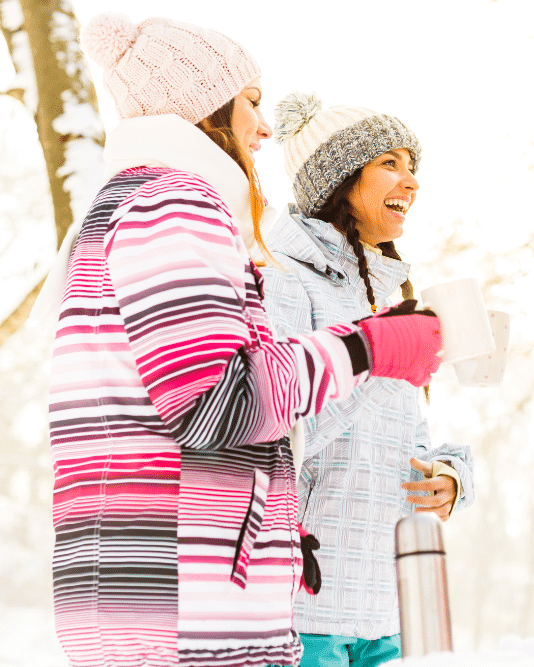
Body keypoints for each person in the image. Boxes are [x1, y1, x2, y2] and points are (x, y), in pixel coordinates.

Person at [46, 14, 442, 667]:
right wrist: (370, 349)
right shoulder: (176, 205)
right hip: (185, 611)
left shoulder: (125, 207)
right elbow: (215, 403)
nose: (264, 128)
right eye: (252, 103)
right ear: (205, 111)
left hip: (146, 593)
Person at [259, 93, 475, 667]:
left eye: (413, 166)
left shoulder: (388, 290)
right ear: (340, 179)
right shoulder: (284, 280)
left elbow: (409, 436)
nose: (412, 180)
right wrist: (379, 358)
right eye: (391, 163)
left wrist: (451, 478)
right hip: (309, 612)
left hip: (389, 606)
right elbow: (281, 430)